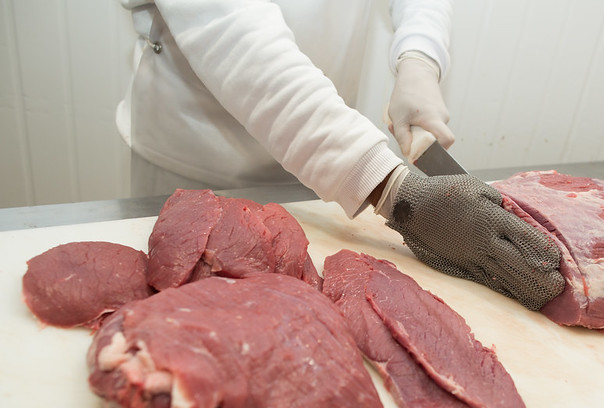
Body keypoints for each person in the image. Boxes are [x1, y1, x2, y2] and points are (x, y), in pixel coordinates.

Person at [117, 0, 564, 310]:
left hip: (325, 169)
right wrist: (388, 186)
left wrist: (420, 59)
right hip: (195, 157)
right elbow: (231, 33)